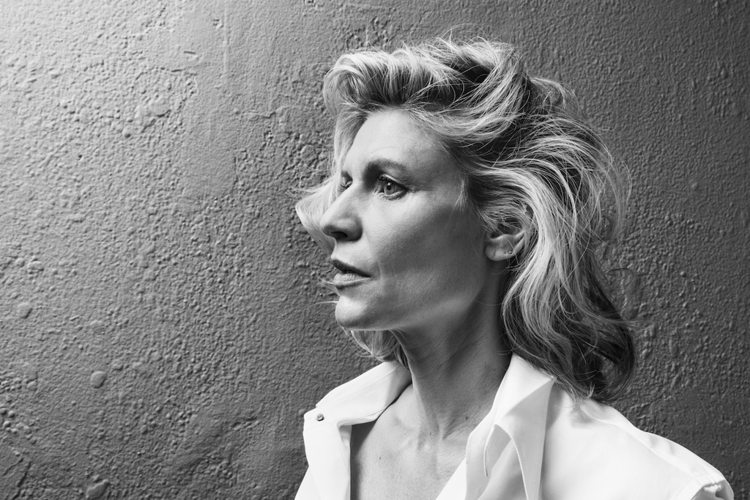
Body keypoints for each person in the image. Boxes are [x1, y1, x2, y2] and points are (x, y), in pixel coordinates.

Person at [293, 38, 733, 500]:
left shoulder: (651, 489)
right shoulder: (335, 442)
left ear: (505, 227)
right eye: (345, 182)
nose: (332, 219)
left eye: (389, 185)